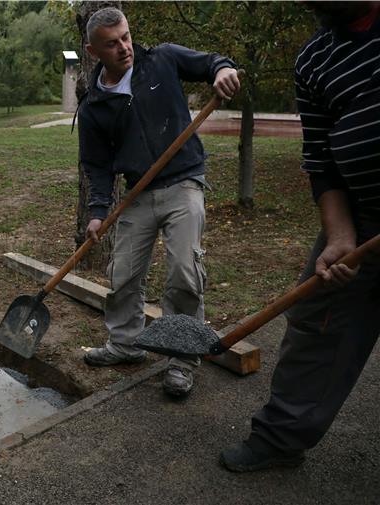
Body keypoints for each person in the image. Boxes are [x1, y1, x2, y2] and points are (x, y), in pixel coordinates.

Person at [220, 1, 380, 471]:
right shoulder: (314, 59)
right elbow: (321, 159)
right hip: (362, 215)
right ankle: (280, 437)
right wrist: (339, 235)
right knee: (317, 323)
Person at [78, 7, 240, 397]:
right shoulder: (94, 106)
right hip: (137, 193)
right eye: (112, 44)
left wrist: (222, 71)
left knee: (184, 270)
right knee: (123, 275)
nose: (124, 48)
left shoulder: (162, 58)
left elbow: (212, 63)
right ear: (92, 50)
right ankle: (125, 345)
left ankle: (181, 360)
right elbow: (97, 166)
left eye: (126, 38)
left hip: (183, 181)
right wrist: (99, 212)